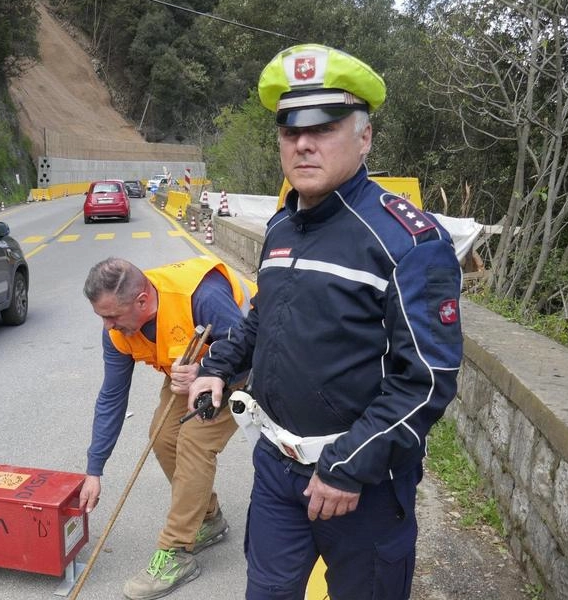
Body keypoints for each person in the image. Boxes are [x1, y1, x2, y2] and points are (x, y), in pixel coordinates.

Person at [187, 43, 463, 600]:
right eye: (290, 131)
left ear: (364, 137)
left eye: (324, 127)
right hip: (275, 467)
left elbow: (426, 379)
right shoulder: (284, 225)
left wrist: (348, 466)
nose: (304, 143)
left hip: (361, 485)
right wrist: (219, 367)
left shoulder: (408, 242)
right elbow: (266, 315)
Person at [79, 256, 253, 600]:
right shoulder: (114, 333)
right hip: (190, 374)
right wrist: (94, 469)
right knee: (162, 436)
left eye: (112, 316)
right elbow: (112, 397)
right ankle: (208, 518)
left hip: (244, 369)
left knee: (194, 442)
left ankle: (176, 551)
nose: (108, 326)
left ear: (142, 301)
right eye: (102, 316)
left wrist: (207, 369)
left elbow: (249, 345)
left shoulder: (203, 296)